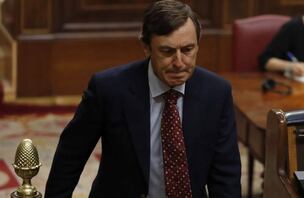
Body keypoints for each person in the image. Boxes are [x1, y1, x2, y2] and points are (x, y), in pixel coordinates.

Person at [45, 1, 241, 197]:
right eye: (167, 51)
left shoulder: (216, 93)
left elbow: (225, 175)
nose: (179, 63)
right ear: (146, 47)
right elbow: (70, 157)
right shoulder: (109, 89)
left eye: (188, 50)